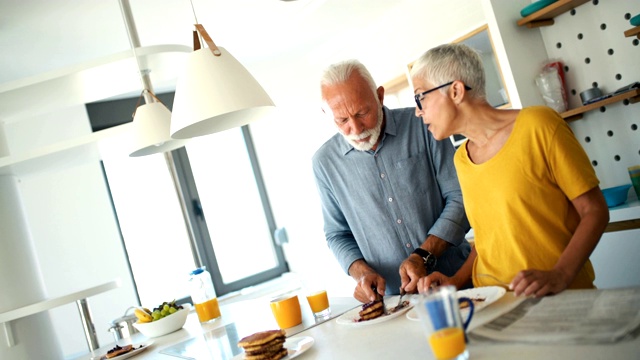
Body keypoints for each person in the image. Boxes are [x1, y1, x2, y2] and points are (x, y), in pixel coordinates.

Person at [412, 43, 609, 297]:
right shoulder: (462, 159)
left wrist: (561, 274)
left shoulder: (538, 125)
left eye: (421, 97)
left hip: (557, 300)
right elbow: (487, 240)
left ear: (456, 91)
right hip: (492, 303)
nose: (418, 111)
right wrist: (456, 280)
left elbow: (594, 211)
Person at [312, 59, 471, 303]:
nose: (356, 128)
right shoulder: (324, 163)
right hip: (395, 303)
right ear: (326, 114)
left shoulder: (423, 125)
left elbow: (461, 196)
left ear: (380, 96)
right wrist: (361, 273)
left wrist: (423, 256)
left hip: (458, 281)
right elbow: (337, 234)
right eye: (342, 120)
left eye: (362, 112)